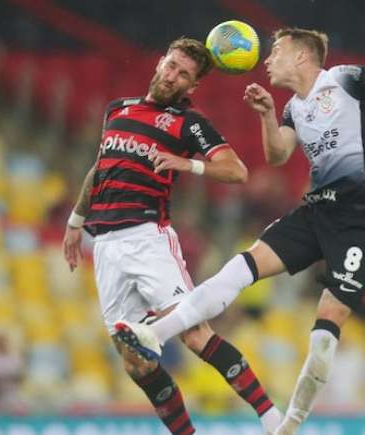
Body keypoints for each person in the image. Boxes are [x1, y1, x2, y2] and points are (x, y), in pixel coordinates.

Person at [115, 23, 365, 434]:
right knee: (240, 267)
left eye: (276, 51)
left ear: (302, 56)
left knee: (324, 335)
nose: (267, 60)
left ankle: (289, 425)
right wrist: (269, 115)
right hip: (316, 211)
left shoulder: (343, 79)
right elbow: (278, 155)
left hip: (360, 219)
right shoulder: (293, 108)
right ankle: (154, 334)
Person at [62, 37, 281, 435]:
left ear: (192, 87)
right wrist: (76, 221)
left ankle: (272, 417)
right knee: (135, 360)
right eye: (172, 65)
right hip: (106, 245)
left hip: (148, 237)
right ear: (161, 61)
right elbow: (100, 168)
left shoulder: (188, 122)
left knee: (194, 335)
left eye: (184, 74)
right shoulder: (119, 110)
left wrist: (187, 164)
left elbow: (237, 171)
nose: (174, 76)